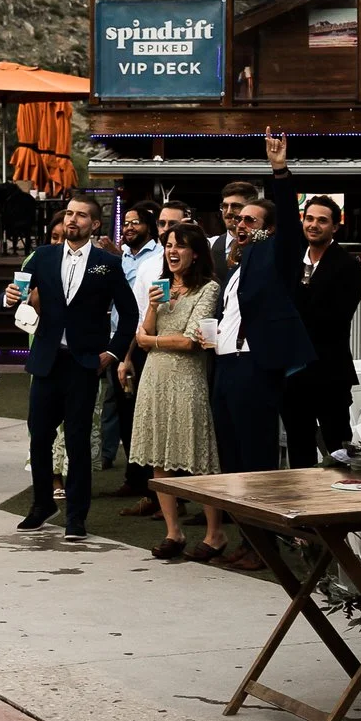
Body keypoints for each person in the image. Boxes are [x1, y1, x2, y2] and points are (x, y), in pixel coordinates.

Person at [205, 132, 318, 569]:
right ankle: (245, 536)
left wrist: (279, 171)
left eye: (250, 219)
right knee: (231, 456)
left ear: (268, 227)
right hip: (226, 365)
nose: (241, 224)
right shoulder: (237, 265)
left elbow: (289, 221)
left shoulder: (279, 251)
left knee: (257, 458)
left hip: (256, 366)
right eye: (238, 220)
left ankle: (265, 544)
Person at [5, 193, 135, 535]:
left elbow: (130, 314)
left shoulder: (107, 263)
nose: (71, 220)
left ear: (94, 224)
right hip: (47, 360)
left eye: (80, 216)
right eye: (69, 214)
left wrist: (113, 353)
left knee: (76, 441)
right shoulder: (43, 257)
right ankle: (42, 503)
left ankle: (76, 516)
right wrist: (11, 298)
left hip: (83, 363)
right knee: (39, 439)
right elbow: (20, 294)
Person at [132, 221, 225, 561]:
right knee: (159, 454)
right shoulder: (161, 286)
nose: (172, 251)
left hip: (187, 378)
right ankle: (174, 532)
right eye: (169, 244)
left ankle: (216, 533)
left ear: (195, 252)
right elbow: (144, 332)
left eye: (180, 245)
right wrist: (153, 307)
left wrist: (151, 340)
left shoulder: (208, 289)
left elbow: (189, 340)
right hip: (154, 377)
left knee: (199, 455)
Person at [280, 192, 361, 466]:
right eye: (309, 218)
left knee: (338, 446)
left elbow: (334, 318)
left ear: (335, 227)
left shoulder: (348, 266)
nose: (314, 225)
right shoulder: (290, 262)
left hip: (330, 372)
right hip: (293, 372)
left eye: (322, 220)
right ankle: (302, 505)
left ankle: (342, 505)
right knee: (298, 444)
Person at [111, 204, 167, 506]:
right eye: (126, 222)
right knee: (125, 413)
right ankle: (134, 479)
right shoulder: (120, 258)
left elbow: (146, 308)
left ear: (149, 226)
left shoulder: (158, 259)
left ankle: (154, 489)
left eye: (135, 223)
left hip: (145, 343)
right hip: (118, 341)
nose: (128, 227)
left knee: (145, 416)